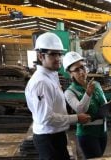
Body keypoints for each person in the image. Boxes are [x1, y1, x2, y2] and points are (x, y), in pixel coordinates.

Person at [25, 32, 91, 160]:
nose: (58, 58)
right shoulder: (41, 82)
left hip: (55, 136)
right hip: (49, 140)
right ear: (40, 56)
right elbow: (46, 118)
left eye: (59, 54)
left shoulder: (51, 77)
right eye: (52, 54)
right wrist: (76, 118)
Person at [63, 51, 108, 159]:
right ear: (70, 73)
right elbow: (80, 110)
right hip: (87, 134)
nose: (82, 72)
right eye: (76, 70)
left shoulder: (95, 84)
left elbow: (104, 103)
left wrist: (110, 107)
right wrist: (87, 94)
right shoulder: (70, 92)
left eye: (82, 67)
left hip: (102, 131)